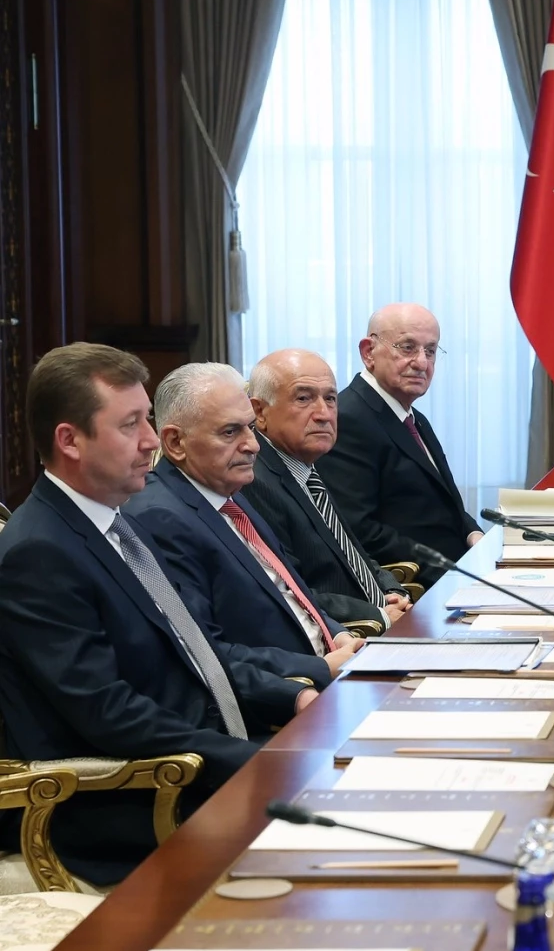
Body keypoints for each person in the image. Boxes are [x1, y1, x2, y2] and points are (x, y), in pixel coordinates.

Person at [0, 344, 316, 885]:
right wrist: (248, 760)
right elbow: (109, 713)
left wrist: (291, 695)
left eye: (147, 418)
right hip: (131, 799)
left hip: (197, 757)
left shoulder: (118, 523)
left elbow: (195, 650)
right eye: (130, 425)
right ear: (69, 440)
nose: (151, 440)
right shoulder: (39, 552)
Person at [124, 363, 363, 683]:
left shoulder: (227, 493)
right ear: (176, 442)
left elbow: (292, 594)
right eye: (230, 432)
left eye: (250, 427)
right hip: (291, 692)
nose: (253, 445)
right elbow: (206, 652)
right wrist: (321, 670)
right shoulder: (159, 518)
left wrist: (338, 634)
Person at [242, 349, 411, 630]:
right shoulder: (253, 481)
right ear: (259, 411)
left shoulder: (307, 468)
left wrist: (393, 592)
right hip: (346, 637)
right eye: (303, 398)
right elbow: (289, 592)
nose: (324, 414)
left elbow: (351, 554)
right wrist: (379, 613)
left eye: (330, 398)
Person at [318, 303, 482, 587]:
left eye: (430, 351)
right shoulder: (348, 419)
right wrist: (454, 573)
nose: (422, 363)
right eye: (407, 348)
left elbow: (445, 504)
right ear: (368, 352)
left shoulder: (412, 416)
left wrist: (474, 535)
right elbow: (360, 531)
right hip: (420, 587)